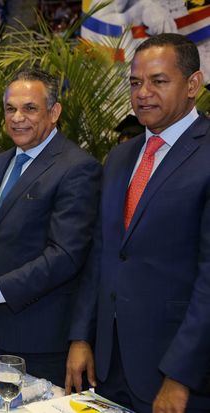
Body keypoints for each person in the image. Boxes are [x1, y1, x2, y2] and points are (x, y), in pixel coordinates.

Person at [66, 33, 210, 413]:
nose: (142, 93)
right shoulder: (119, 158)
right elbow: (102, 255)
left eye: (158, 81)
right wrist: (82, 337)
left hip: (177, 375)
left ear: (192, 84)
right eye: (135, 82)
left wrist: (180, 376)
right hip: (109, 368)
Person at [0, 68, 101, 386]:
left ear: (54, 112)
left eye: (30, 108)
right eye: (10, 109)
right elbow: (5, 233)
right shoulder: (1, 161)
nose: (18, 118)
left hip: (42, 340)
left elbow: (65, 256)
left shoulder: (77, 168)